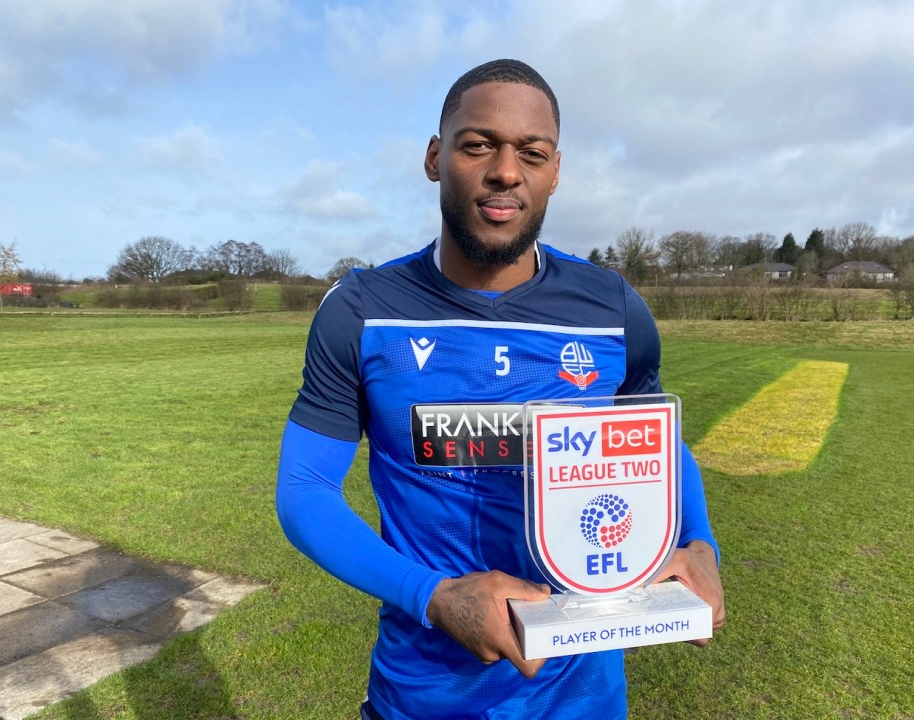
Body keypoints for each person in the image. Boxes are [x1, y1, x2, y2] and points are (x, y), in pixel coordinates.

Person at [276, 58, 725, 720]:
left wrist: (701, 544)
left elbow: (660, 447)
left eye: (531, 153)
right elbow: (304, 491)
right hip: (422, 697)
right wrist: (434, 596)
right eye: (478, 144)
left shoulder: (612, 308)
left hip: (585, 700)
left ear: (555, 172)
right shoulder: (362, 310)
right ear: (436, 157)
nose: (505, 170)